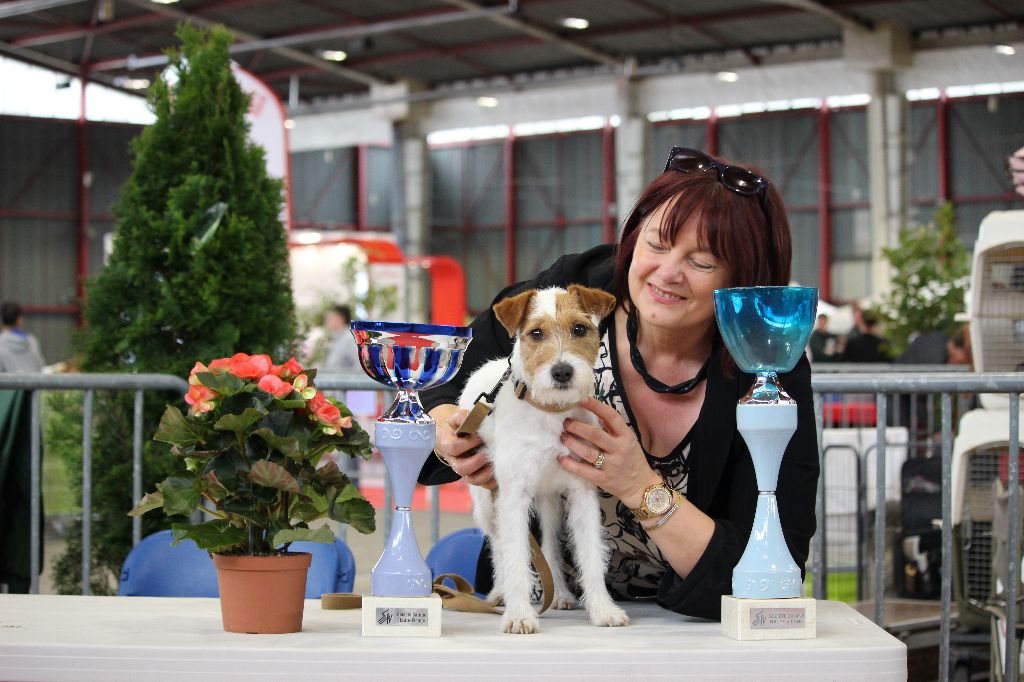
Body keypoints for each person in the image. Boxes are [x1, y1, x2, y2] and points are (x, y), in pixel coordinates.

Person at [419, 147, 819, 620]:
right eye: (657, 243)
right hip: (545, 610)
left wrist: (639, 485)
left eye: (703, 261)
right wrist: (451, 432)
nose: (667, 272)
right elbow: (448, 376)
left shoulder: (766, 364)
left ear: (742, 279)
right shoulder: (578, 287)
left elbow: (774, 560)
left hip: (688, 629)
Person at [0, 302, 45, 373]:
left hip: (8, 383)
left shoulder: (1, 342)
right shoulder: (31, 340)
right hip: (32, 382)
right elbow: (40, 367)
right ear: (19, 320)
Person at [321, 304, 360, 375]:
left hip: (345, 384)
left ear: (341, 319)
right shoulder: (337, 338)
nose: (326, 321)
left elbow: (360, 367)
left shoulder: (350, 339)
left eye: (330, 318)